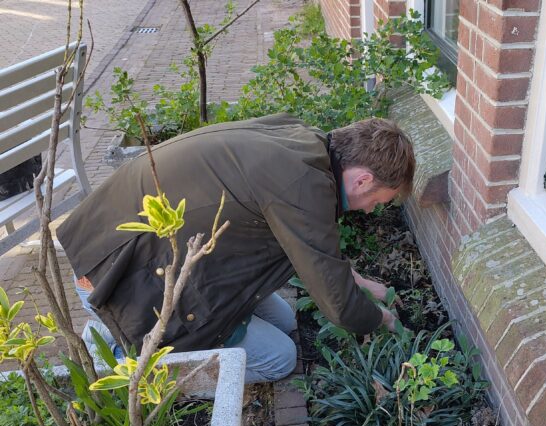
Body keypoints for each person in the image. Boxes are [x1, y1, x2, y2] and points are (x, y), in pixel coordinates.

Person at [57, 113, 414, 383]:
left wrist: (367, 286)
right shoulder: (303, 186)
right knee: (280, 359)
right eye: (377, 201)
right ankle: (116, 355)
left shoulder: (302, 142)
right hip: (120, 278)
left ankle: (109, 332)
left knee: (286, 319)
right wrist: (381, 318)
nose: (371, 210)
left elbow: (313, 253)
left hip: (109, 241)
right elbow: (340, 306)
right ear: (364, 179)